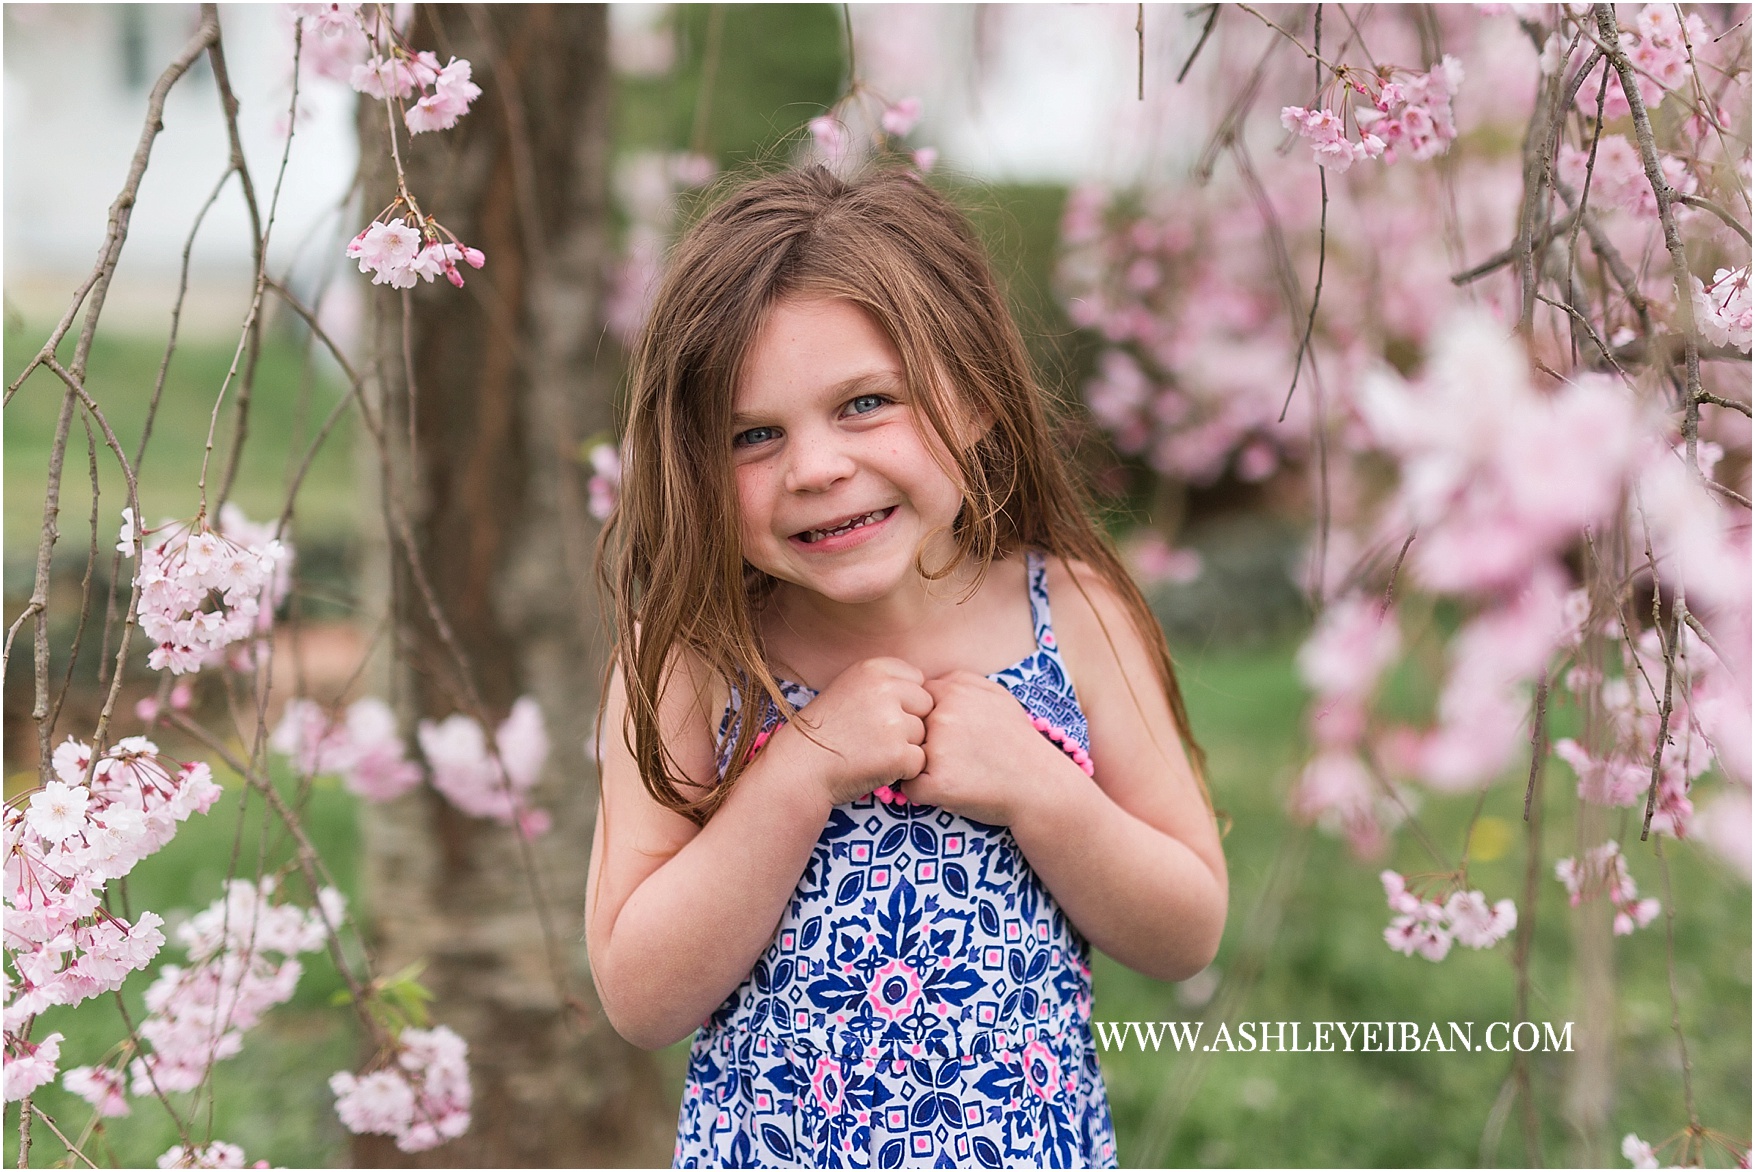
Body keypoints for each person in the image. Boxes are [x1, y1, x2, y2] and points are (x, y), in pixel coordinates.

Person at [587, 165, 1227, 1169]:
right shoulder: (695, 661)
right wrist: (795, 775)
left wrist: (1038, 790)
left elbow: (1187, 924)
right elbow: (640, 992)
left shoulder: (1072, 614)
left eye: (865, 403)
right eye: (753, 434)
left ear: (972, 396)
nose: (814, 467)